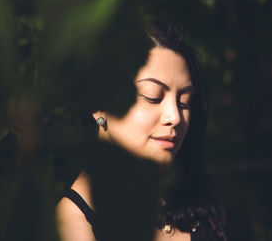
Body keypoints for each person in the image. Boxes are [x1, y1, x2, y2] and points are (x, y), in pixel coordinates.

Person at [55, 21, 226, 241]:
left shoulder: (192, 203)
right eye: (153, 96)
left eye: (184, 102)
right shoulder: (71, 229)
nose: (174, 117)